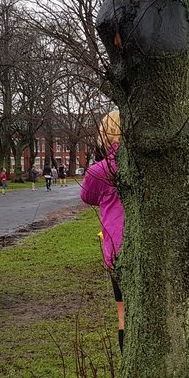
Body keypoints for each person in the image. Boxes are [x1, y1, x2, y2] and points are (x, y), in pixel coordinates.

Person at [81, 110, 125, 350]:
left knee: (123, 314)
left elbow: (87, 196)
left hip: (118, 250)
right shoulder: (148, 169)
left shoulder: (101, 171)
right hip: (151, 247)